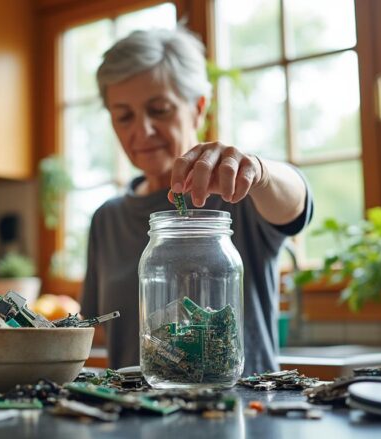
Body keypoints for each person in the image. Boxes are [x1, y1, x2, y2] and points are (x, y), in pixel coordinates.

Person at [80, 26, 313, 375]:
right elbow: (94, 325)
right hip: (135, 419)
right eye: (124, 115)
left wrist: (260, 172)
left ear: (198, 109)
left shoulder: (239, 192)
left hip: (241, 417)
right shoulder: (107, 219)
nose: (141, 131)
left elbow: (297, 204)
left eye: (159, 109)